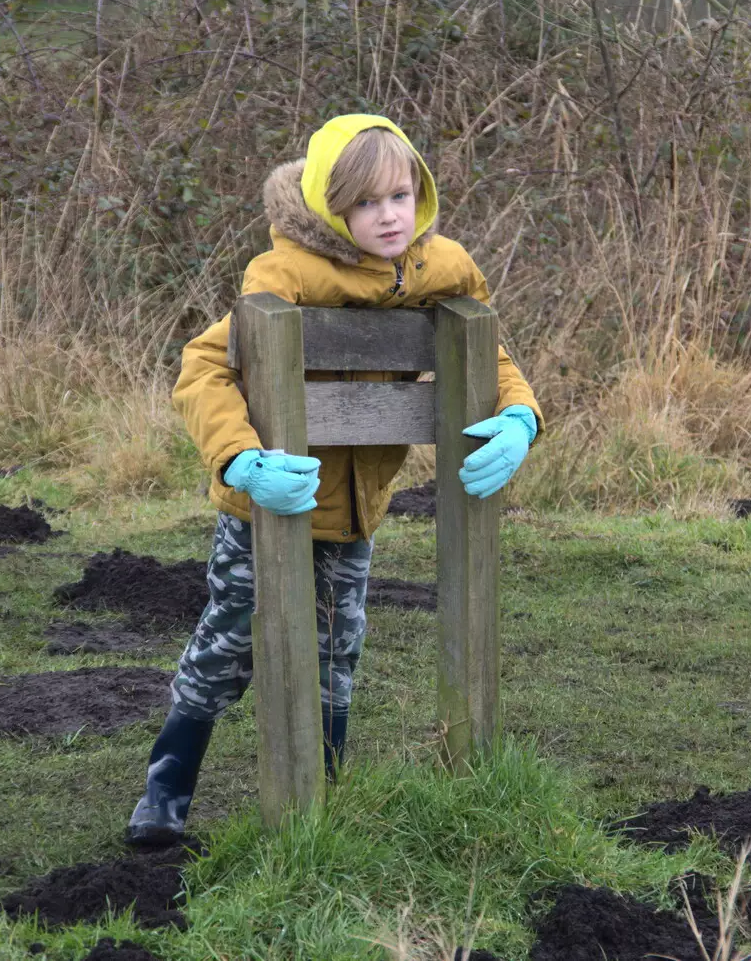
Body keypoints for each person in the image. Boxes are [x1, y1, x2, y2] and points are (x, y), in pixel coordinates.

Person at [125, 114, 543, 846]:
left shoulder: (439, 267)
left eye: (402, 195)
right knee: (229, 644)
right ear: (332, 208)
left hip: (354, 512)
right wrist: (241, 462)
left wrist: (519, 418)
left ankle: (323, 803)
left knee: (337, 648)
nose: (389, 216)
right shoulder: (281, 277)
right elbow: (204, 367)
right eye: (367, 202)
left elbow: (490, 350)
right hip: (268, 501)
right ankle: (166, 790)